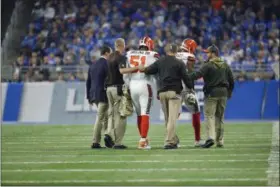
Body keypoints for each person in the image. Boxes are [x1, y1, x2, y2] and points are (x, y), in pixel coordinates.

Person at [139, 44, 193, 149]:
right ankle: (169, 142)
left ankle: (173, 140)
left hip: (162, 92)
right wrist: (190, 87)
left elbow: (149, 70)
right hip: (174, 92)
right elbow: (186, 78)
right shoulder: (179, 63)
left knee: (168, 119)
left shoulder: (160, 61)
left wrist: (142, 68)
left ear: (166, 50)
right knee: (172, 119)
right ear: (176, 51)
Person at [188, 44, 234, 148]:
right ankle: (220, 140)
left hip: (211, 93)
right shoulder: (225, 65)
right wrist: (229, 93)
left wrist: (184, 75)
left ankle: (210, 138)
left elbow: (197, 75)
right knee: (220, 117)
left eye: (207, 53)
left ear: (213, 53)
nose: (206, 55)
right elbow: (231, 80)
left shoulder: (208, 65)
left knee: (209, 116)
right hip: (223, 93)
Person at [125, 36, 159, 149]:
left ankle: (142, 138)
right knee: (145, 113)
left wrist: (126, 86)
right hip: (145, 83)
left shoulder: (130, 53)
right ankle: (143, 141)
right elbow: (156, 73)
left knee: (139, 114)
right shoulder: (152, 55)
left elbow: (126, 72)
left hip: (132, 84)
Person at [105, 38, 138, 149]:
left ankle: (108, 133)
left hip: (108, 88)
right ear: (122, 46)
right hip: (117, 88)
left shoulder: (109, 57)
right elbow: (122, 71)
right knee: (120, 115)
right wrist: (136, 68)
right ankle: (118, 143)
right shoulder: (121, 57)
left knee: (111, 114)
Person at [176, 38, 204, 147]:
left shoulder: (175, 55)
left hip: (175, 87)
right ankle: (197, 140)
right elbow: (190, 73)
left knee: (174, 115)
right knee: (196, 112)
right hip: (186, 88)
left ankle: (172, 138)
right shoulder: (190, 57)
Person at [86, 46, 112, 149]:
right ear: (106, 53)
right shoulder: (107, 64)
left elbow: (88, 82)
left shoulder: (93, 65)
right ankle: (95, 142)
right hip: (103, 94)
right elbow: (109, 79)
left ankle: (107, 140)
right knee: (100, 118)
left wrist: (89, 96)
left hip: (94, 95)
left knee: (104, 118)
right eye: (110, 53)